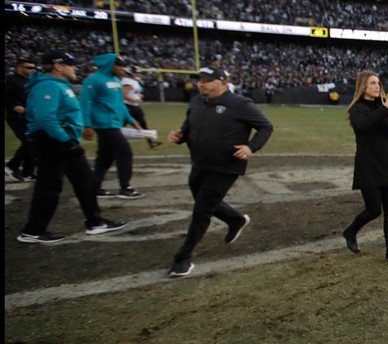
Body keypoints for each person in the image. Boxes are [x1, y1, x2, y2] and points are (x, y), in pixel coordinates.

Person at [166, 66, 273, 278]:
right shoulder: (196, 102)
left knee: (202, 210)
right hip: (199, 163)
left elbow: (265, 127)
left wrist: (250, 147)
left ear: (223, 82)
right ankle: (235, 220)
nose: (202, 84)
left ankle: (182, 258)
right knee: (204, 201)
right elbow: (189, 127)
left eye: (207, 80)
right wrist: (181, 136)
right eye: (200, 80)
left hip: (225, 166)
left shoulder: (240, 104)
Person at [16, 51, 126, 243]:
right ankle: (33, 230)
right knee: (49, 185)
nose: (74, 67)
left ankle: (94, 221)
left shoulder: (56, 85)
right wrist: (65, 140)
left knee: (86, 181)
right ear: (57, 66)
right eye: (69, 64)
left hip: (63, 139)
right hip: (53, 141)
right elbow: (45, 117)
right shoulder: (48, 85)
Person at [342, 71, 388, 263]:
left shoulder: (382, 105)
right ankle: (350, 232)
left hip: (387, 164)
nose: (377, 86)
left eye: (378, 83)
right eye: (372, 83)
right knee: (373, 210)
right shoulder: (357, 109)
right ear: (363, 86)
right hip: (368, 166)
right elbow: (364, 126)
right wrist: (385, 108)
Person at [81, 53, 144, 199]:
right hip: (104, 124)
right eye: (119, 65)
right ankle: (125, 187)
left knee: (105, 156)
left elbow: (120, 105)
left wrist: (133, 121)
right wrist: (87, 125)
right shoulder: (93, 80)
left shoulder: (115, 80)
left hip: (113, 123)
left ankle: (95, 186)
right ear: (110, 65)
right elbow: (85, 103)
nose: (122, 69)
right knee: (124, 152)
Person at [5, 57, 37, 181]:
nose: (32, 70)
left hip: (28, 117)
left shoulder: (29, 81)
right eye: (29, 68)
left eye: (34, 67)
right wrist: (13, 106)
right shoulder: (12, 80)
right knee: (28, 142)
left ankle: (27, 172)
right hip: (16, 118)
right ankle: (12, 166)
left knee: (33, 143)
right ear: (19, 68)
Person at [121, 66, 162, 149]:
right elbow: (123, 95)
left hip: (135, 107)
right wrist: (135, 100)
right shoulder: (127, 82)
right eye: (136, 72)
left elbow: (134, 92)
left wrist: (138, 96)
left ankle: (151, 142)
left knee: (143, 124)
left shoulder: (133, 81)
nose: (138, 74)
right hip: (128, 106)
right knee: (121, 126)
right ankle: (113, 142)